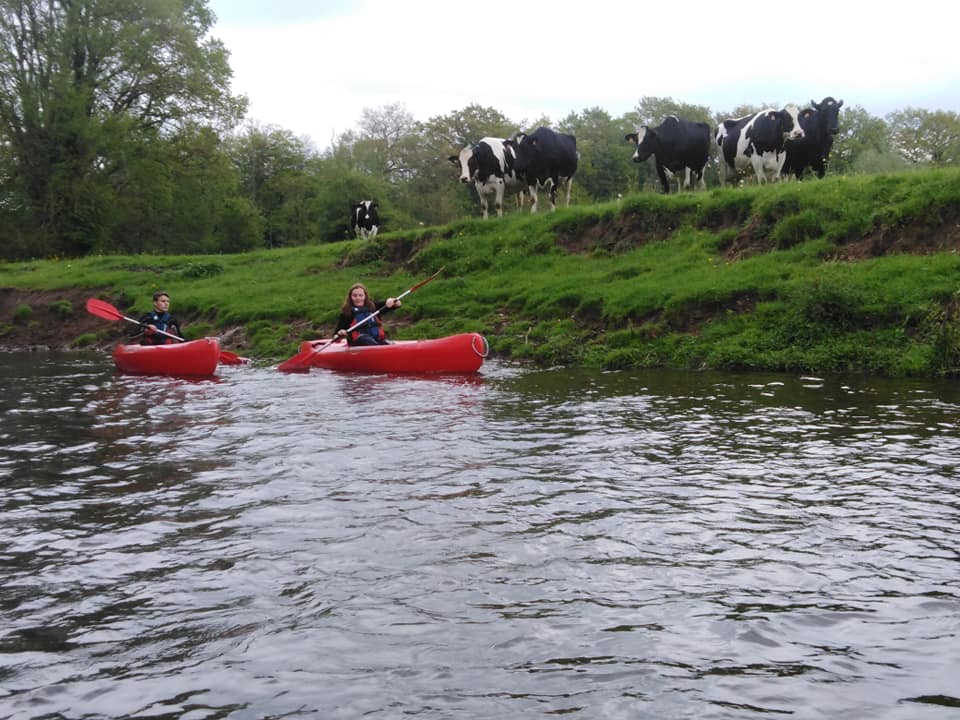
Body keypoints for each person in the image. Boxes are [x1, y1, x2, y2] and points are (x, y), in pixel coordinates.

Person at [334, 283, 401, 346]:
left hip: (377, 341)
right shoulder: (347, 313)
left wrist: (392, 300)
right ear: (350, 297)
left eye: (361, 295)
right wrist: (340, 333)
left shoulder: (374, 307)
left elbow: (397, 304)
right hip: (358, 345)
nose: (358, 298)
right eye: (354, 296)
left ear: (365, 296)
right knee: (363, 338)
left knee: (384, 341)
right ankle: (378, 349)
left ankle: (383, 347)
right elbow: (336, 337)